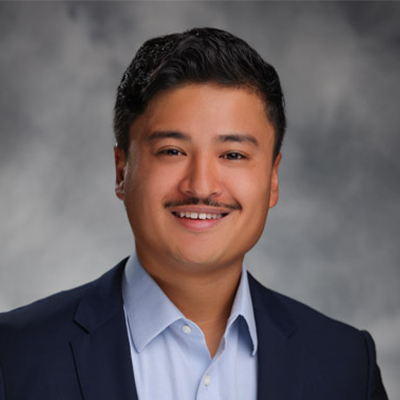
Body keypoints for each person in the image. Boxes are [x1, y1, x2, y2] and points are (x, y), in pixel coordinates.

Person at [0, 27, 388, 400]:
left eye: (233, 155)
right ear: (122, 171)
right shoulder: (14, 355)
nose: (201, 186)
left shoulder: (347, 364)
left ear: (272, 179)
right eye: (172, 151)